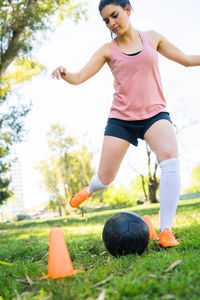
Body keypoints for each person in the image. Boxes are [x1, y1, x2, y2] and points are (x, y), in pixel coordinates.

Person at [51, 0, 200, 247]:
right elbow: (78, 78)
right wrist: (65, 73)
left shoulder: (152, 38)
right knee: (106, 178)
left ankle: (165, 231)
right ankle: (90, 189)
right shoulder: (106, 50)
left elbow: (185, 59)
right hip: (121, 119)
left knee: (170, 158)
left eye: (114, 15)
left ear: (128, 10)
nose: (111, 23)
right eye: (106, 20)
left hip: (154, 114)